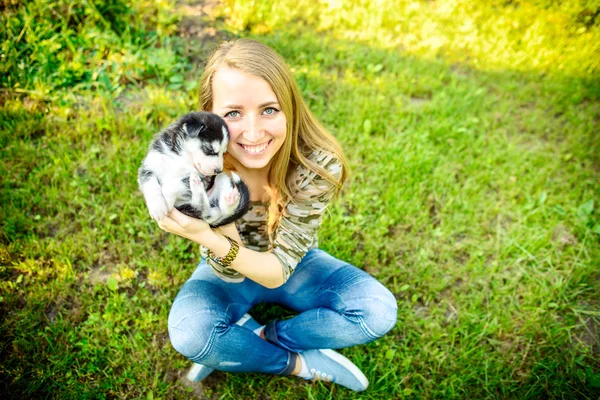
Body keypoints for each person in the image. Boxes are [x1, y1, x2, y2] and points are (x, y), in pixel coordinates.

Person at [157, 38, 398, 392]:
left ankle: (265, 335)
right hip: (225, 274)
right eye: (233, 113)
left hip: (294, 264)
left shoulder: (315, 165)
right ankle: (295, 362)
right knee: (192, 335)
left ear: (289, 108)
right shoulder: (198, 167)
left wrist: (206, 236)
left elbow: (276, 272)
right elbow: (224, 267)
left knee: (377, 311)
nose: (253, 133)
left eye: (269, 110)